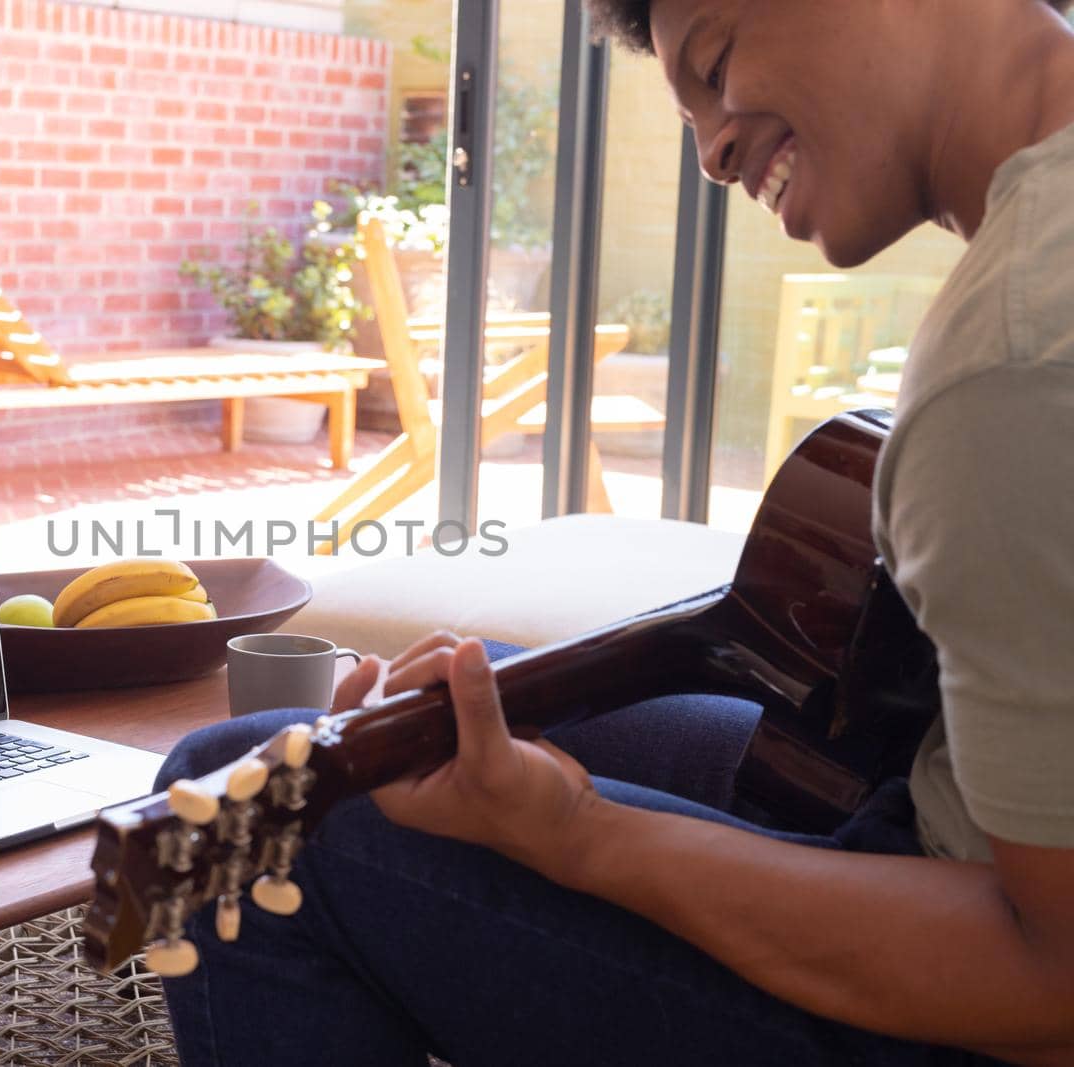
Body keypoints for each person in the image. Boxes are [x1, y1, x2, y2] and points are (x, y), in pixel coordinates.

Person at [154, 1, 1074, 1063]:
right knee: (464, 708)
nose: (714, 153)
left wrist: (580, 834)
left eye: (718, 62)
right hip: (925, 799)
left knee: (236, 810)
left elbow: (1049, 979)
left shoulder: (1010, 360)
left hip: (977, 1002)